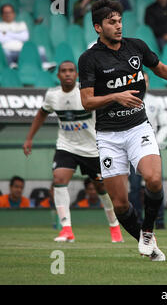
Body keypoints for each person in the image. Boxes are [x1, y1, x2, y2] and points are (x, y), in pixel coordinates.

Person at [78, 0, 167, 260]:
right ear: (98, 27)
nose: (118, 26)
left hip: (137, 127)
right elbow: (86, 102)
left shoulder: (136, 47)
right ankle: (151, 248)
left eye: (119, 21)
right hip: (108, 135)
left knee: (153, 179)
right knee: (120, 204)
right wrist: (115, 96)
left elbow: (161, 69)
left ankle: (148, 232)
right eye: (111, 22)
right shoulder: (89, 59)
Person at [23, 60, 124, 244]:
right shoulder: (52, 95)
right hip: (66, 145)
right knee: (59, 179)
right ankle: (66, 229)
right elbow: (41, 114)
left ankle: (114, 226)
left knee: (102, 187)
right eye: (64, 71)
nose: (68, 74)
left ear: (77, 74)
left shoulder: (85, 92)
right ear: (58, 75)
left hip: (92, 148)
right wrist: (29, 138)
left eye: (71, 70)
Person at [128, 72, 167, 229]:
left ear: (149, 83)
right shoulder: (127, 101)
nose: (143, 84)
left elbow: (165, 124)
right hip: (133, 150)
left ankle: (159, 221)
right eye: (140, 81)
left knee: (156, 184)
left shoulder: (155, 101)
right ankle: (137, 219)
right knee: (135, 186)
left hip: (152, 150)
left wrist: (156, 142)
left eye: (145, 81)